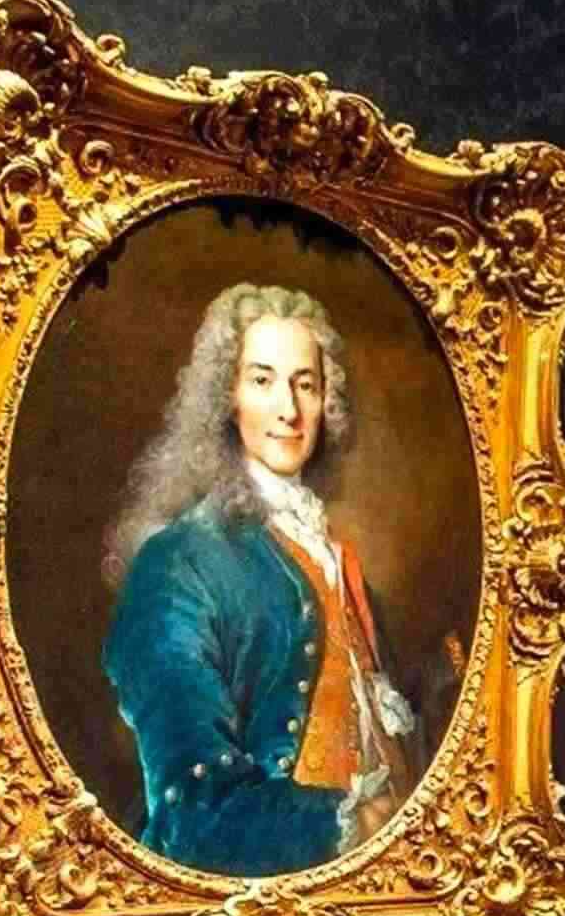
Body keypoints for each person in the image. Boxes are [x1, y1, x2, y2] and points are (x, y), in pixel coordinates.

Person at [102, 283, 421, 876]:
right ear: (227, 397)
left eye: (306, 384)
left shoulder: (335, 555)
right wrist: (342, 826)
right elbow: (191, 813)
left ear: (327, 401)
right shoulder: (179, 562)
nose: (288, 410)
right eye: (262, 380)